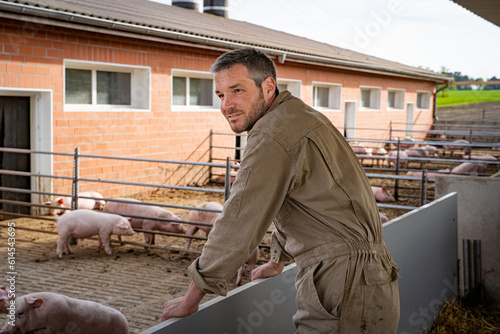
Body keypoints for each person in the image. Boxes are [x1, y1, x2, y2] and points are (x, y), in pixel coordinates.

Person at [162, 47, 400, 333]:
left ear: (268, 86)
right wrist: (278, 260)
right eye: (221, 95)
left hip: (342, 283)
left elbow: (238, 221)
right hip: (368, 278)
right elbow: (314, 201)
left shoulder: (271, 133)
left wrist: (191, 298)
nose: (227, 105)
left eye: (237, 90)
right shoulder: (302, 117)